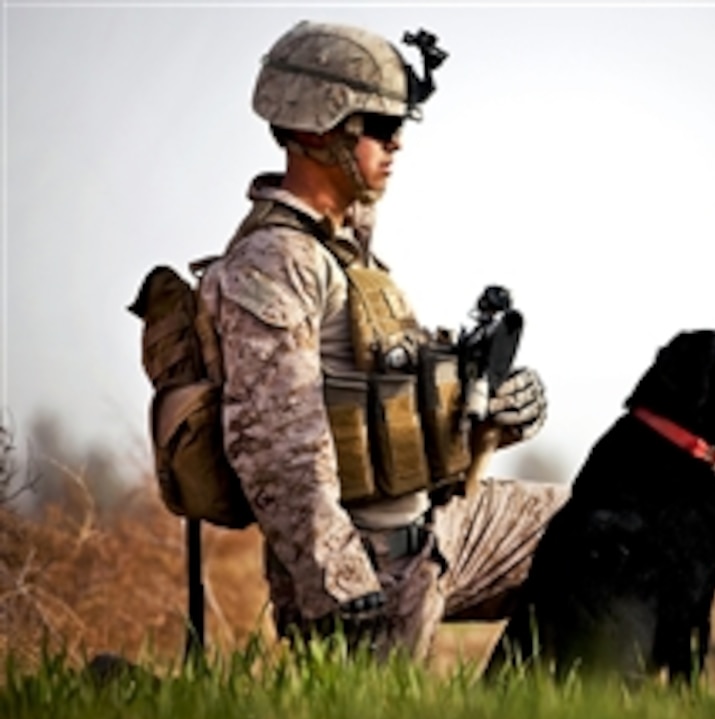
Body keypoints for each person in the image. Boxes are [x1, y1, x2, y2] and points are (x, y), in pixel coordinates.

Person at [198, 20, 569, 660]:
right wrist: (339, 586)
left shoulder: (347, 253)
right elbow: (275, 447)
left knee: (617, 531)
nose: (396, 143)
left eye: (401, 125)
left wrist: (498, 406)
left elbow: (396, 398)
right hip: (367, 570)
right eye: (377, 125)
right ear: (319, 127)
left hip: (436, 528)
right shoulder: (276, 262)